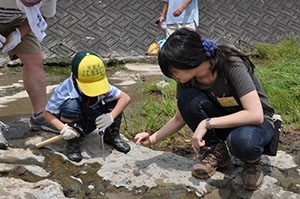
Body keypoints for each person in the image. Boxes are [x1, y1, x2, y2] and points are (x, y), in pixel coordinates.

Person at [134, 28, 278, 191]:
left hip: (257, 124)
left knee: (242, 142)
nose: (174, 77)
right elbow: (179, 119)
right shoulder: (187, 80)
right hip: (225, 121)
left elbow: (256, 114)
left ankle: (252, 162)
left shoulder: (230, 63)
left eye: (174, 71)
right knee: (187, 99)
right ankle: (216, 151)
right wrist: (151, 139)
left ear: (188, 61)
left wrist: (207, 123)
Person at [43, 51, 131, 162]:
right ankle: (73, 142)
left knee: (114, 102)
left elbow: (125, 98)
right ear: (75, 78)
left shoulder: (102, 83)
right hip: (76, 124)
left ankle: (111, 136)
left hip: (97, 118)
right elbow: (47, 113)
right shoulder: (64, 90)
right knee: (71, 106)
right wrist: (63, 129)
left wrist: (110, 117)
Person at [0, 0, 58, 140]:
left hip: (18, 21)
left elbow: (44, 14)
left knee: (34, 60)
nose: (33, 3)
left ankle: (40, 116)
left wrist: (18, 35)